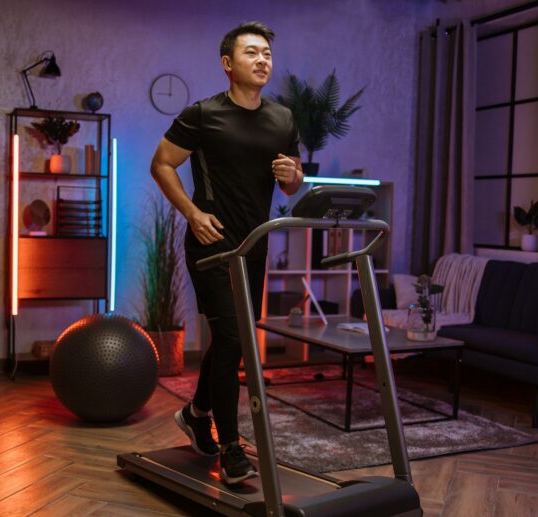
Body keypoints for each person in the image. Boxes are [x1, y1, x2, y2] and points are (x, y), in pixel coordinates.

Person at [150, 21, 303, 485]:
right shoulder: (202, 114)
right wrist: (193, 214)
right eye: (252, 53)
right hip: (212, 245)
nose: (262, 61)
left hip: (253, 246)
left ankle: (197, 413)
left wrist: (293, 175)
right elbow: (162, 164)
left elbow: (292, 184)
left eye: (267, 55)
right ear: (227, 64)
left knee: (229, 339)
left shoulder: (282, 119)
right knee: (235, 341)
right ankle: (230, 446)